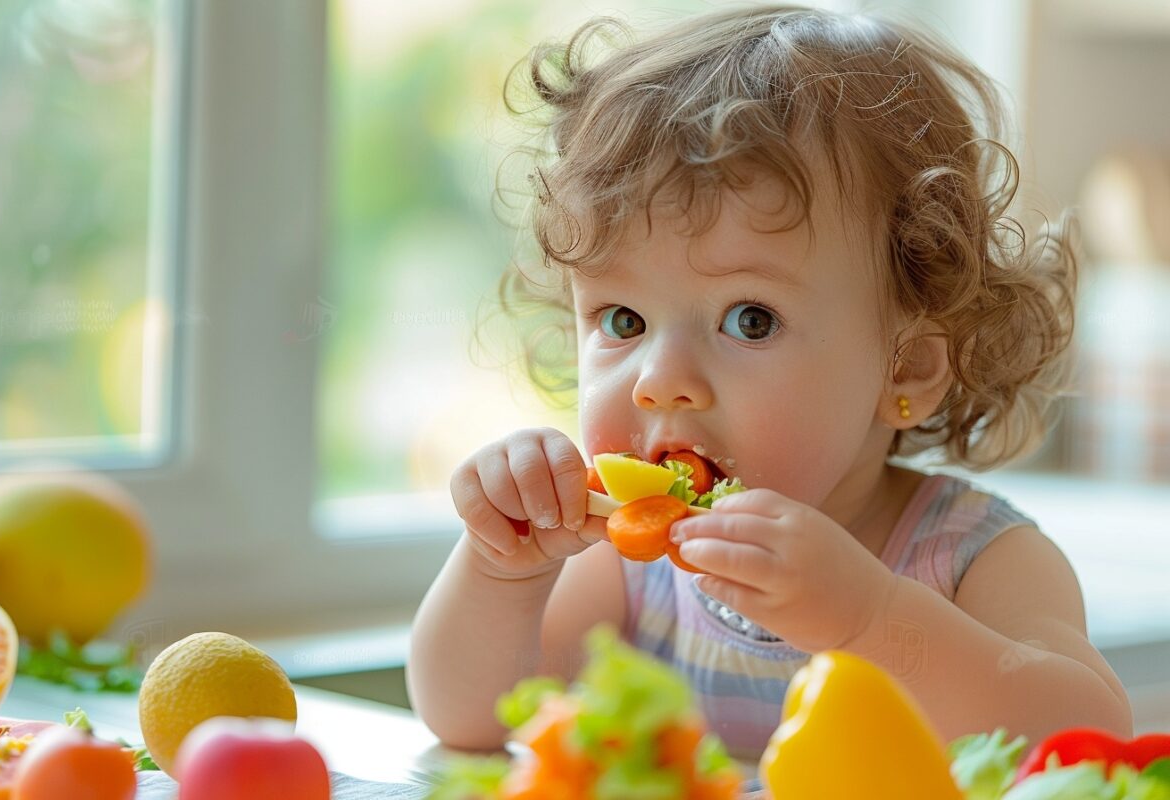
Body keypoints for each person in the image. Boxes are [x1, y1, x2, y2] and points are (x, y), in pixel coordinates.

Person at [407, 4, 1133, 759]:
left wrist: (870, 617)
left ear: (906, 365)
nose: (660, 382)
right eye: (624, 321)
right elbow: (472, 719)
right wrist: (500, 571)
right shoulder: (626, 568)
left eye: (749, 320)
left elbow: (1087, 738)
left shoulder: (974, 558)